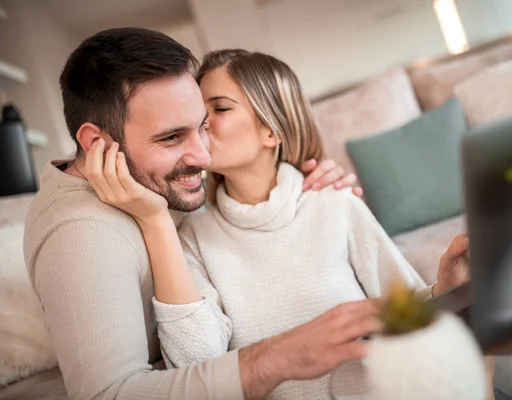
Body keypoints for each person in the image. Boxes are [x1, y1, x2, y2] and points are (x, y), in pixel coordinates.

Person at [82, 48, 471, 399]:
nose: (201, 125)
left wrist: (444, 290)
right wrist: (155, 223)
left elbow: (407, 311)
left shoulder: (334, 204)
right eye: (198, 113)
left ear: (271, 129)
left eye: (218, 108)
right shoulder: (192, 240)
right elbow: (194, 367)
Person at [23, 28, 388, 400]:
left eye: (202, 125)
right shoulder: (79, 236)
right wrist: (275, 358)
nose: (203, 154)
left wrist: (304, 180)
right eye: (171, 137)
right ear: (98, 144)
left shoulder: (158, 180)